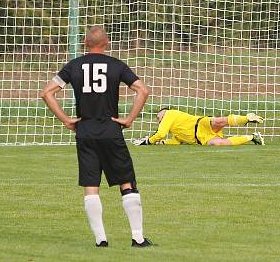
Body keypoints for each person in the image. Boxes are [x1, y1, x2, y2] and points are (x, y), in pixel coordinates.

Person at [40, 26, 152, 248]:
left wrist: (66, 119)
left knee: (91, 185)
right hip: (111, 131)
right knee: (126, 182)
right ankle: (137, 238)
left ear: (84, 44)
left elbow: (47, 92)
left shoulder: (73, 66)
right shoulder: (116, 65)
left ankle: (101, 240)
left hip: (85, 132)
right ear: (107, 43)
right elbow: (143, 90)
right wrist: (129, 119)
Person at [134, 107, 264, 146]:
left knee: (218, 121)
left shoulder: (169, 113)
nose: (159, 120)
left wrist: (148, 141)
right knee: (218, 144)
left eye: (158, 117)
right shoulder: (176, 130)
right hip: (201, 138)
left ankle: (247, 118)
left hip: (201, 124)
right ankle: (252, 137)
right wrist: (161, 143)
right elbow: (175, 141)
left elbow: (161, 133)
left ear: (164, 113)